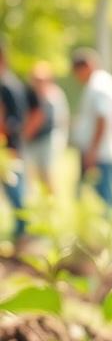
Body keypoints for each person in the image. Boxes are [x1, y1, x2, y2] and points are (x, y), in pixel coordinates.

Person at [71, 48, 112, 208]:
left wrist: (93, 150)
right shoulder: (99, 83)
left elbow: (103, 118)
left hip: (101, 153)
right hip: (100, 151)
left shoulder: (99, 85)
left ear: (86, 66)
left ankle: (109, 232)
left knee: (105, 199)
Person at [0, 42, 39, 247]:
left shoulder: (8, 85)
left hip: (11, 148)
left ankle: (23, 231)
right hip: (8, 147)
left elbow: (17, 120)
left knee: (16, 193)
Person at [23, 61, 69, 196]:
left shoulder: (54, 94)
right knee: (30, 175)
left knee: (47, 174)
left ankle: (50, 202)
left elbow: (58, 119)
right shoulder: (30, 94)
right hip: (33, 141)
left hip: (48, 138)